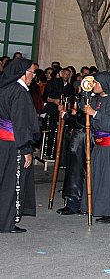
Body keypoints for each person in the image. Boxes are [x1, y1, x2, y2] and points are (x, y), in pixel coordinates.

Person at [0, 58, 39, 233]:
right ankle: (6, 222)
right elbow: (20, 123)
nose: (33, 76)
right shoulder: (19, 93)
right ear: (22, 73)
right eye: (32, 72)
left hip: (3, 142)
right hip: (14, 143)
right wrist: (26, 149)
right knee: (12, 183)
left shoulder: (5, 88)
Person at [80, 72, 110, 224]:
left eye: (96, 83)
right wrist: (85, 93)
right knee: (99, 178)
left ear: (104, 84)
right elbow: (84, 108)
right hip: (100, 144)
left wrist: (96, 114)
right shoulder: (98, 99)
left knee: (109, 179)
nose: (94, 85)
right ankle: (101, 208)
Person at [56, 86, 89, 216]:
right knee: (73, 170)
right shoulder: (83, 98)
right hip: (78, 137)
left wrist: (68, 116)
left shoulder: (89, 99)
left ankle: (76, 203)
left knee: (77, 171)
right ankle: (73, 202)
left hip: (82, 139)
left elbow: (82, 120)